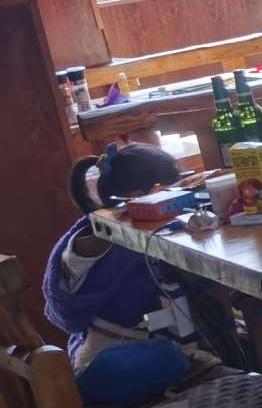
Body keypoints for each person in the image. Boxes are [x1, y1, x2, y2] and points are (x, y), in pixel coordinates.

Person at [45, 143, 187, 369]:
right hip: (117, 361)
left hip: (100, 352)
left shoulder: (97, 230)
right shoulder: (110, 243)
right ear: (140, 197)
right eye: (173, 194)